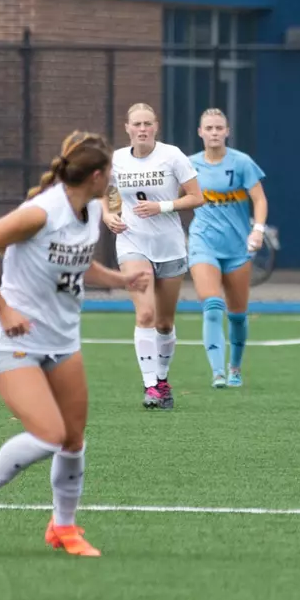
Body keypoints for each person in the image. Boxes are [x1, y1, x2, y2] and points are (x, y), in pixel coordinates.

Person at [0, 131, 143, 557]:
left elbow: (76, 263)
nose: (112, 178)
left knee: (74, 440)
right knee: (49, 435)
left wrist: (119, 279)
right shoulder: (41, 212)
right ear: (95, 175)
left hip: (62, 340)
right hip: (13, 340)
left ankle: (63, 528)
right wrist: (2, 308)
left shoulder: (90, 209)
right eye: (109, 171)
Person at [105, 103, 204, 410]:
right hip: (132, 242)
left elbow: (197, 197)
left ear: (156, 126)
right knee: (145, 314)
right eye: (137, 124)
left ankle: (162, 379)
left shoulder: (172, 155)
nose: (143, 129)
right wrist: (108, 215)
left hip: (170, 246)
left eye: (148, 123)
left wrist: (161, 207)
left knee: (163, 322)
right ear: (127, 128)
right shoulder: (117, 160)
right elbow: (103, 195)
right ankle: (150, 386)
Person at [187, 108, 269, 389]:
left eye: (218, 128)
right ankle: (217, 372)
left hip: (236, 247)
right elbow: (173, 199)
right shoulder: (189, 165)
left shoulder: (242, 163)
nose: (213, 133)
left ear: (227, 131)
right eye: (208, 128)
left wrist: (257, 230)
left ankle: (235, 367)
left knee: (237, 314)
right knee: (211, 305)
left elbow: (259, 199)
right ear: (200, 132)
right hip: (203, 243)